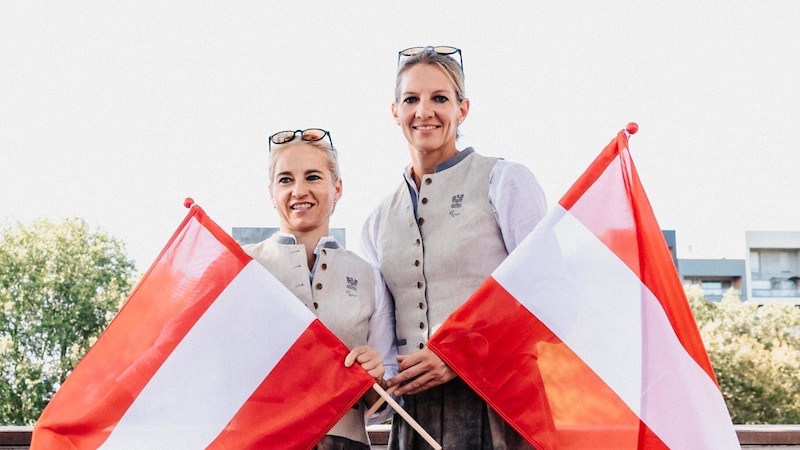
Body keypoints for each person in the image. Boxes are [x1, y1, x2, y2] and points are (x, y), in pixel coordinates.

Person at [361, 46, 548, 449]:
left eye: (440, 98)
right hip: (415, 418)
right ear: (394, 111)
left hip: (501, 405)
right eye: (411, 99)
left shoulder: (505, 181)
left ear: (463, 109)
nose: (424, 111)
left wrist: (459, 355)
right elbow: (382, 338)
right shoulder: (377, 219)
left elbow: (543, 294)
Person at [242, 128, 397, 450]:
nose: (299, 190)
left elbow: (381, 403)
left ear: (337, 187)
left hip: (346, 442)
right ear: (271, 193)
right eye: (285, 180)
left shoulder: (370, 276)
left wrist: (375, 376)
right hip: (262, 441)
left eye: (313, 177)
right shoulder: (242, 268)